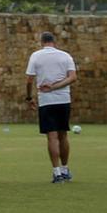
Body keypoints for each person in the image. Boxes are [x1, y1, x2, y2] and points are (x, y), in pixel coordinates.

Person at [26, 32, 77, 183]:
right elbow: (73, 77)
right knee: (63, 135)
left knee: (52, 137)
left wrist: (29, 98)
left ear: (42, 42)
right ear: (54, 42)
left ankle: (56, 172)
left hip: (46, 101)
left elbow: (29, 80)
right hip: (63, 100)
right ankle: (65, 169)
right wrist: (56, 87)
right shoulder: (65, 56)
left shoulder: (36, 56)